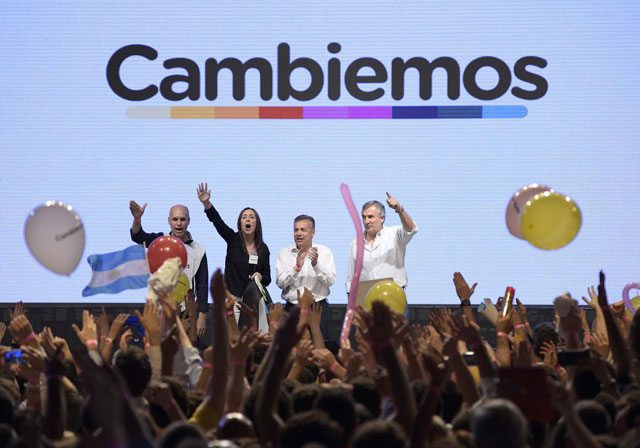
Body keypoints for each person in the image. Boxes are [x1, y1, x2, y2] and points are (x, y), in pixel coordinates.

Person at [129, 201, 209, 336]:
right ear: (169, 221)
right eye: (175, 219)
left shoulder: (199, 250)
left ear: (188, 221)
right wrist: (137, 218)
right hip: (161, 311)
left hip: (187, 313)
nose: (179, 223)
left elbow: (202, 286)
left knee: (188, 353)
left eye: (182, 219)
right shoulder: (160, 241)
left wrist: (202, 316)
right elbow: (138, 236)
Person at [196, 183, 271, 326]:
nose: (248, 219)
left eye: (251, 217)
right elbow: (217, 222)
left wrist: (261, 277)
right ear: (240, 223)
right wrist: (206, 203)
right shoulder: (233, 240)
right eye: (244, 217)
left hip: (254, 302)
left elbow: (268, 278)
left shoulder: (263, 249)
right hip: (233, 300)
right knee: (233, 339)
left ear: (257, 224)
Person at [346, 192, 417, 298]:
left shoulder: (394, 234)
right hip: (366, 298)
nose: (367, 221)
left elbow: (411, 229)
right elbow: (351, 277)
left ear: (382, 218)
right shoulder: (356, 242)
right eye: (364, 217)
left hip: (394, 296)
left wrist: (399, 209)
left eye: (371, 217)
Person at [276, 215, 336, 340]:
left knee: (319, 350)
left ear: (312, 232)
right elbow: (280, 283)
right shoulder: (284, 253)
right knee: (291, 353)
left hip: (317, 309)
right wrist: (296, 268)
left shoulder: (324, 252)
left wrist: (316, 265)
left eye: (303, 230)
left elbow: (330, 281)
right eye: (296, 230)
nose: (298, 233)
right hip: (293, 309)